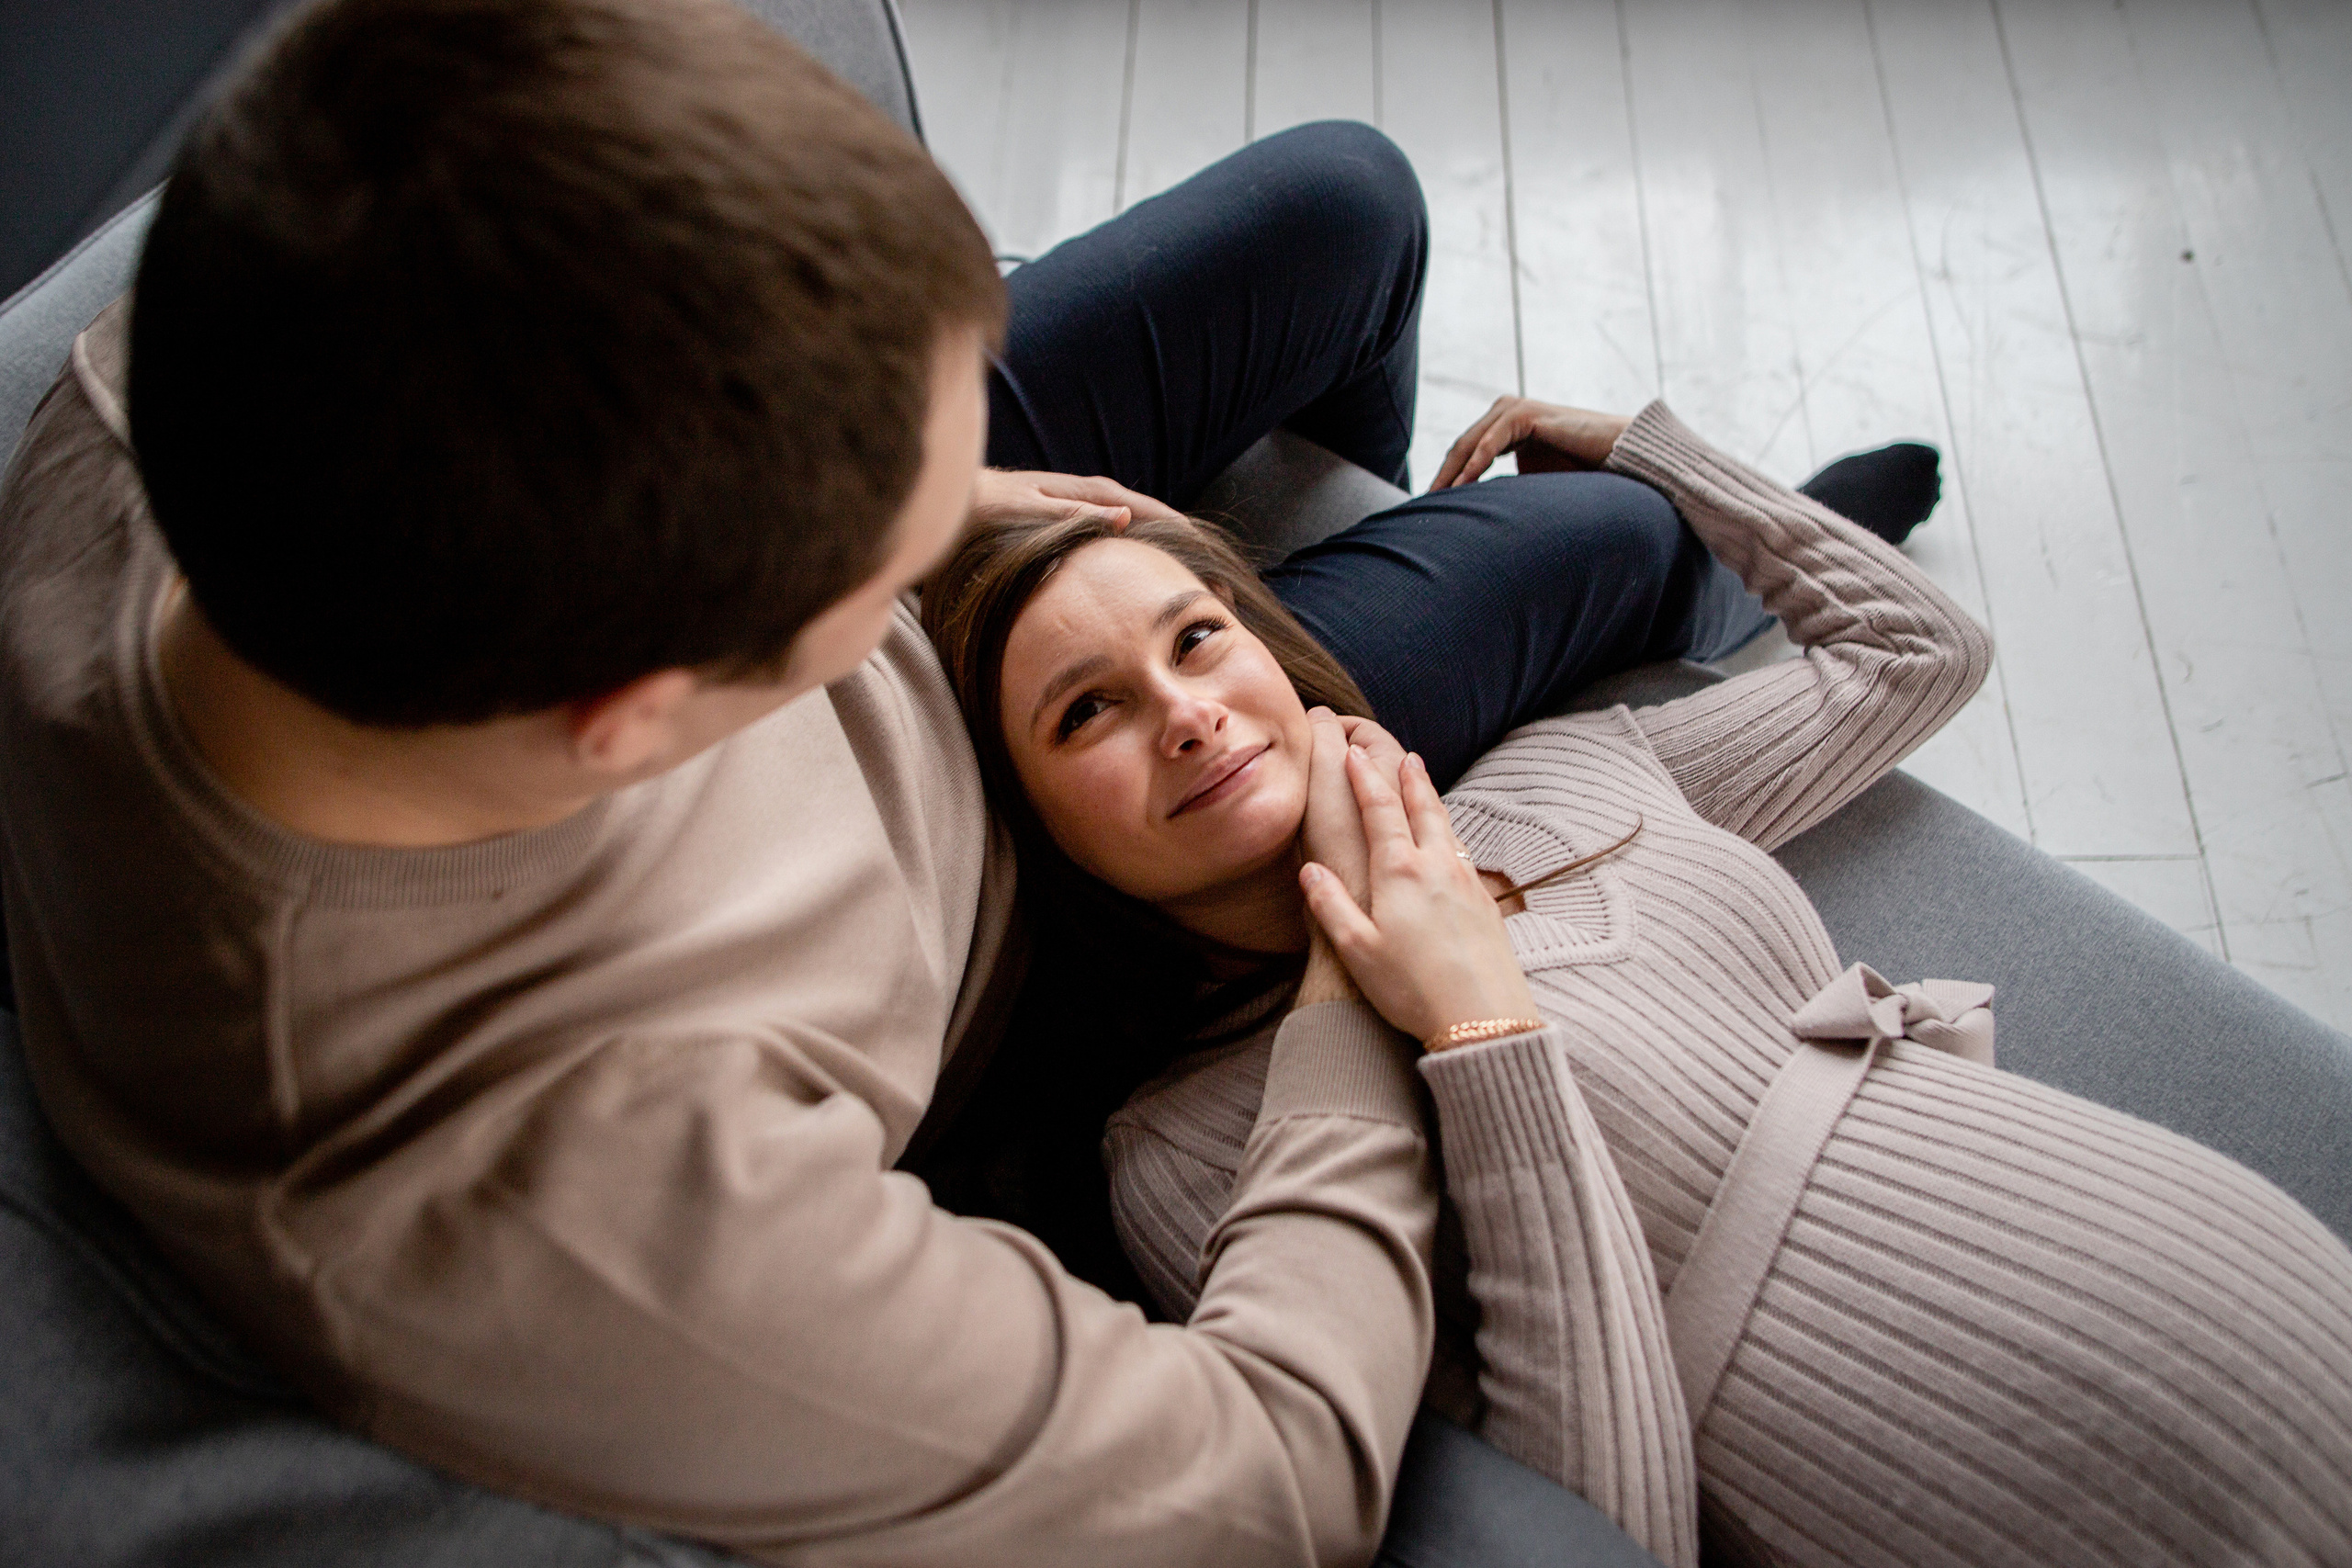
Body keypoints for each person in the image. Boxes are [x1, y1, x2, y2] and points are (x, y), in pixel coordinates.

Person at [0, 0, 1933, 1561]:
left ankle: (1367, 533)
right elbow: (1268, 1479)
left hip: (699, 538)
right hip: (1032, 885)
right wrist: (1352, 980)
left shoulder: (224, 349)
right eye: (889, 549)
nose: (1076, 529)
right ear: (646, 718)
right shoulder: (584, 1198)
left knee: (1346, 209)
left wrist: (940, 495)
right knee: (1591, 542)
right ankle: (1695, 580)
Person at [918, 396, 2352, 1568]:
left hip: (2267, 1287)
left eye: (1196, 638)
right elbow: (1592, 1538)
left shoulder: (1550, 774)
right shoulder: (1187, 1155)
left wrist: (1653, 452)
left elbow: (1919, 654)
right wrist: (1480, 1031)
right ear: (1036, 828)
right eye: (1087, 711)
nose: (1185, 714)